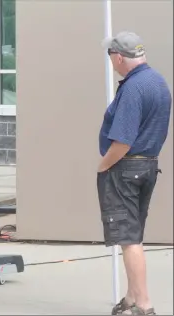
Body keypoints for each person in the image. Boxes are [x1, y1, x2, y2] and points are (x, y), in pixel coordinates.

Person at [97, 31, 172, 316]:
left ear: (118, 57)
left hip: (126, 169)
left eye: (111, 59)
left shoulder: (133, 88)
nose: (112, 64)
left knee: (129, 240)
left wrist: (103, 165)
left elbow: (123, 141)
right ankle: (130, 296)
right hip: (148, 165)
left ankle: (144, 305)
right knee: (135, 233)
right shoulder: (158, 82)